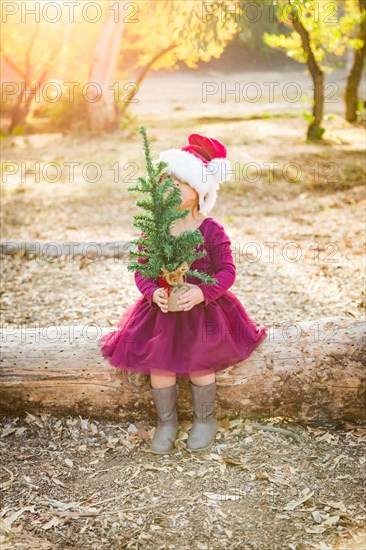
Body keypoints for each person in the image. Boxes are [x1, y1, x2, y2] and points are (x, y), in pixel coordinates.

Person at [97, 133, 268, 455]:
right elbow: (142, 269)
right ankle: (167, 422)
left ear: (200, 190)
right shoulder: (156, 229)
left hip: (205, 310)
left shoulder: (210, 228)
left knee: (200, 364)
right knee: (160, 367)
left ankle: (205, 419)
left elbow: (227, 272)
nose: (173, 187)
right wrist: (152, 294)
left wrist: (204, 293)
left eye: (182, 181)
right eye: (167, 180)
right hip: (162, 312)